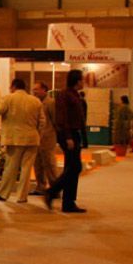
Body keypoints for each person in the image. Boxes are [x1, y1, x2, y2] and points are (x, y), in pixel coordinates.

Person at [0, 78, 44, 203]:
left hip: (14, 139)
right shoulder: (35, 101)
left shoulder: (8, 98)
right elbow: (42, 122)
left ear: (13, 86)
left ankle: (3, 194)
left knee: (11, 168)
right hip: (32, 138)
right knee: (26, 169)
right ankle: (21, 196)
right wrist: (37, 135)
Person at [45, 70, 87, 213]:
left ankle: (68, 202)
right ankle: (52, 191)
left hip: (75, 134)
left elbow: (80, 118)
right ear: (77, 80)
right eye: (82, 79)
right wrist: (68, 137)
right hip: (68, 135)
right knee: (75, 167)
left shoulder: (75, 95)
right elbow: (63, 118)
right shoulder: (64, 95)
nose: (84, 82)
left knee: (72, 168)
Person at [31, 81, 58, 196]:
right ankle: (40, 186)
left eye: (37, 89)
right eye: (34, 90)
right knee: (37, 164)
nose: (34, 92)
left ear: (44, 90)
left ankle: (55, 188)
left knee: (49, 163)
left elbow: (55, 120)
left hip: (48, 138)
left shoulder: (51, 103)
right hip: (36, 138)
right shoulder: (34, 103)